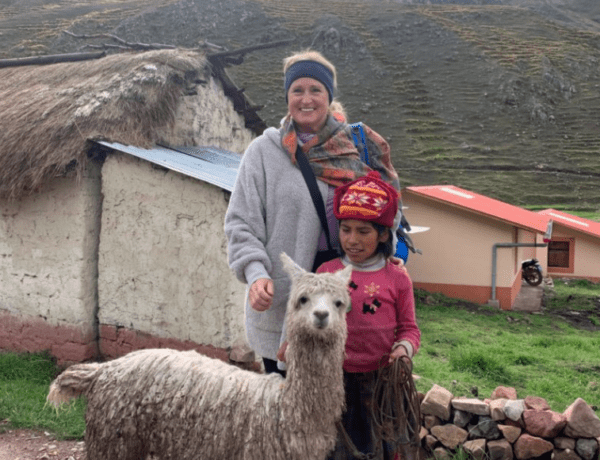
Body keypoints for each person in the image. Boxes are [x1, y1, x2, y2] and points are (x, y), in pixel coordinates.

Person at [224, 49, 401, 375]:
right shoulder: (263, 153)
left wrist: (383, 255)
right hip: (286, 295)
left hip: (347, 294)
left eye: (315, 90)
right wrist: (256, 274)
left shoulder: (357, 151)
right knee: (285, 402)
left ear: (328, 96)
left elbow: (388, 209)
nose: (306, 99)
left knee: (341, 402)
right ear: (288, 96)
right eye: (297, 90)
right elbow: (240, 223)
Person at [317, 170, 421, 460]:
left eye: (364, 232)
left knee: (383, 450)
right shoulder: (326, 273)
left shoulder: (397, 277)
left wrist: (403, 349)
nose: (353, 240)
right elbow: (311, 324)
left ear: (383, 233)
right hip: (335, 381)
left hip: (382, 385)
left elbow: (410, 329)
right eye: (346, 229)